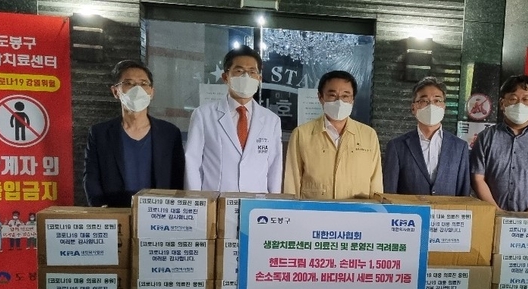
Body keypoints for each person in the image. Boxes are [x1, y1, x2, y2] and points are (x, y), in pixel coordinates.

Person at [84, 60, 185, 207]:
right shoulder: (100, 134)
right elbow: (91, 177)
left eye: (143, 84)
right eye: (129, 83)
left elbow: (178, 176)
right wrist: (100, 209)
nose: (137, 89)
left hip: (159, 212)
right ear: (115, 91)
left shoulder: (169, 134)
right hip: (115, 212)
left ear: (152, 92)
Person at [184, 46, 282, 193]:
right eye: (239, 71)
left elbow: (275, 167)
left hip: (256, 203)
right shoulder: (203, 115)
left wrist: (273, 202)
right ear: (225, 77)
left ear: (259, 78)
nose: (246, 77)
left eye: (252, 72)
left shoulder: (271, 120)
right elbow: (192, 162)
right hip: (216, 200)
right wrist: (197, 201)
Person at [284, 70, 383, 199]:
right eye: (332, 95)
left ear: (352, 100)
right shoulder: (301, 134)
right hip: (314, 209)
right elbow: (292, 182)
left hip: (358, 209)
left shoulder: (368, 135)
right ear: (321, 97)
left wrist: (376, 209)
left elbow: (376, 182)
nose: (339, 101)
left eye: (345, 96)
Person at [470, 74, 528, 212]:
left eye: (526, 99)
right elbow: (477, 178)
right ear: (502, 103)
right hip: (491, 216)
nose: (519, 105)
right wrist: (497, 212)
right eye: (513, 99)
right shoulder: (486, 137)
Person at [383, 76, 469, 196]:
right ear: (413, 108)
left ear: (444, 107)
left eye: (437, 100)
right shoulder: (397, 146)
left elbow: (464, 194)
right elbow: (389, 193)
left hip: (446, 208)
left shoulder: (459, 147)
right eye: (424, 101)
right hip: (411, 209)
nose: (431, 106)